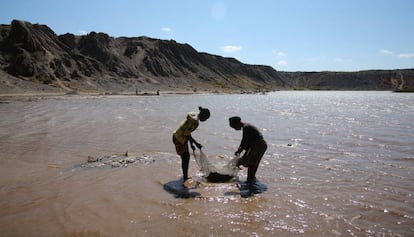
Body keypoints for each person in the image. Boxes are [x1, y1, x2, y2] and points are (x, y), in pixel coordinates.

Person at [173, 106, 210, 182]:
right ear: (203, 116)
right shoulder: (195, 122)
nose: (205, 120)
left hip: (177, 136)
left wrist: (191, 144)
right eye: (206, 118)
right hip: (179, 139)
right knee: (185, 158)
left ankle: (185, 177)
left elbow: (187, 133)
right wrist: (196, 143)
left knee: (186, 157)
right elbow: (187, 134)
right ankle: (185, 178)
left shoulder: (193, 115)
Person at [229, 116, 267, 185]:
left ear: (237, 123)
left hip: (257, 145)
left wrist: (239, 150)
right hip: (262, 145)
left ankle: (250, 180)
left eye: (234, 127)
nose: (235, 129)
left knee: (245, 161)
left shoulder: (246, 127)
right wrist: (240, 150)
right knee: (253, 163)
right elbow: (246, 142)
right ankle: (251, 180)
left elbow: (244, 141)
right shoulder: (246, 126)